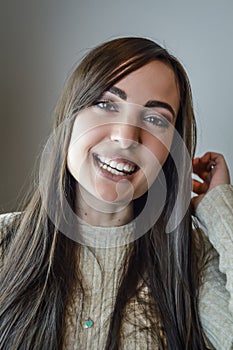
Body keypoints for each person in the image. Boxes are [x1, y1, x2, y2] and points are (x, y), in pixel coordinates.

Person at [0, 37, 232, 350]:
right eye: (106, 104)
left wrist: (220, 209)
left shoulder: (193, 258)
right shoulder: (5, 241)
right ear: (70, 118)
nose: (126, 136)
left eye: (155, 119)